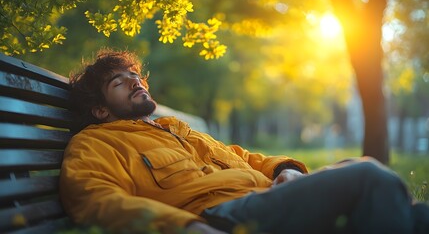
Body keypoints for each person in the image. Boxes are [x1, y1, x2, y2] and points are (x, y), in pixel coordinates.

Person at [60, 49, 429, 234]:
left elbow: (239, 156)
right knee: (367, 176)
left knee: (416, 213)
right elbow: (95, 199)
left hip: (263, 197)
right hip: (218, 217)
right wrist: (184, 227)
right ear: (101, 111)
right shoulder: (97, 144)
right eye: (119, 82)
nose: (135, 82)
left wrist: (283, 169)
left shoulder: (173, 128)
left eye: (135, 75)